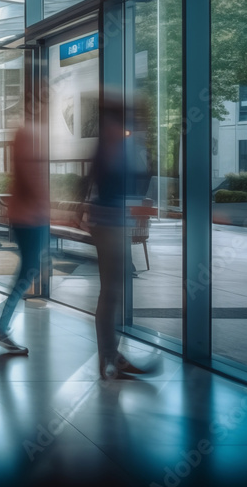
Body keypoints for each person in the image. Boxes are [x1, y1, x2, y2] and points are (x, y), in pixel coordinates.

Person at [89, 97, 160, 379]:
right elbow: (120, 184)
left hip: (111, 225)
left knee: (112, 293)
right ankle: (111, 356)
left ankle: (110, 355)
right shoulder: (113, 147)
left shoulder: (112, 146)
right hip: (110, 227)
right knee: (111, 294)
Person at [0, 121, 48, 355]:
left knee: (30, 271)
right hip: (30, 217)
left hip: (30, 216)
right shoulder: (29, 134)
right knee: (29, 271)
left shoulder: (30, 134)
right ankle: (1, 328)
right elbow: (29, 177)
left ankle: (2, 327)